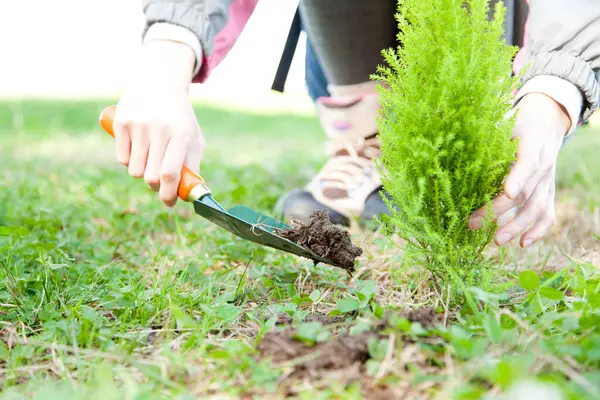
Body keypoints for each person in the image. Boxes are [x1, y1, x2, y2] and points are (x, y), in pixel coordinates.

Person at [114, 0, 599, 249]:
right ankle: (366, 145)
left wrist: (553, 95)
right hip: (350, 51)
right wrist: (167, 60)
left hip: (487, 42)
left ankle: (455, 151)